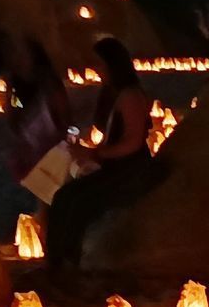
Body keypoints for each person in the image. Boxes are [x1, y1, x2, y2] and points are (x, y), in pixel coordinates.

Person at [47, 37, 153, 272]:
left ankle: (69, 263)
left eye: (99, 63)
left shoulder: (130, 96)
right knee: (63, 196)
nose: (95, 69)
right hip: (115, 166)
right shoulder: (111, 93)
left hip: (131, 171)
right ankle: (55, 261)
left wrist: (96, 154)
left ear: (112, 64)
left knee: (80, 203)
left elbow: (133, 142)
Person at [4, 36, 71, 186]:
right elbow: (13, 113)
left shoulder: (49, 83)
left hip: (50, 143)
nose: (18, 60)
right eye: (16, 55)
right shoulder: (16, 83)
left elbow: (63, 116)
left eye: (23, 55)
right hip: (29, 143)